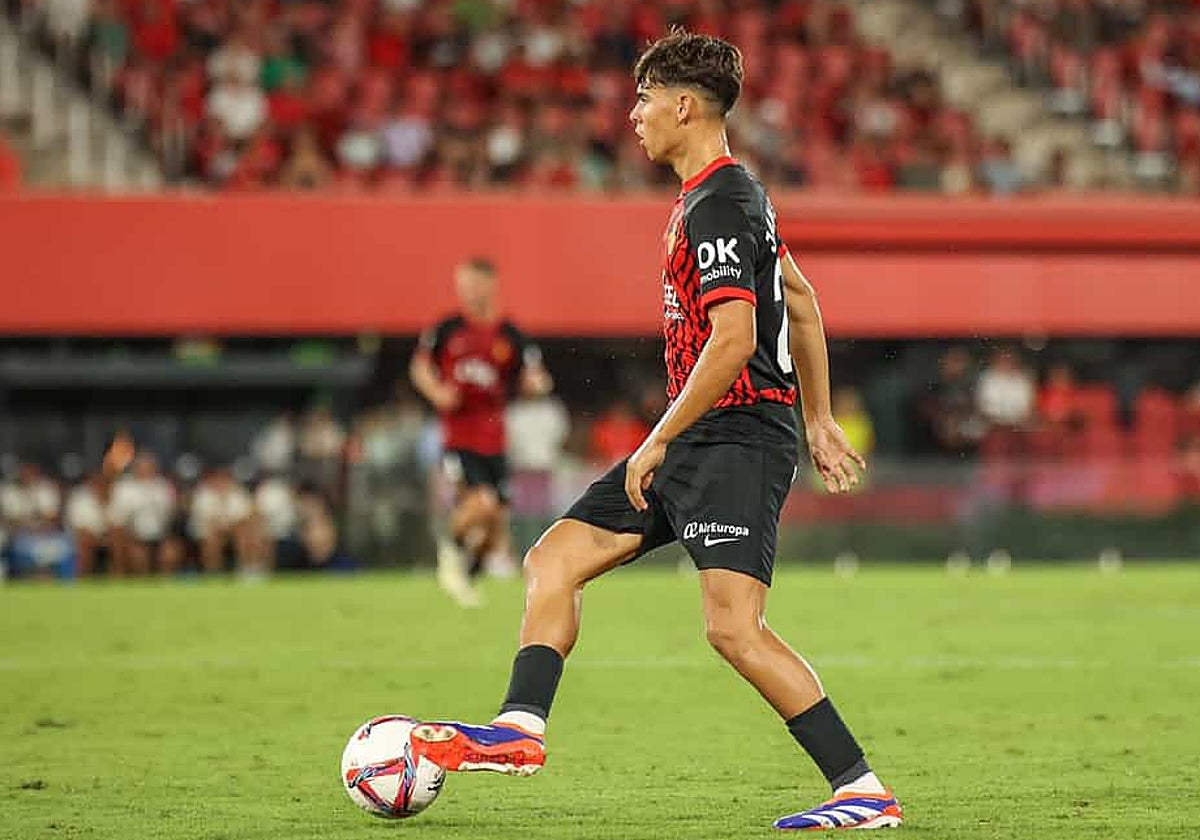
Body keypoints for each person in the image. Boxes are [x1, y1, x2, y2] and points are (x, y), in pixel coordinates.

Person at [406, 31, 901, 832]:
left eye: (643, 100)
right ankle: (519, 728)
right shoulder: (728, 196)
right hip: (707, 430)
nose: (632, 116)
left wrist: (662, 437)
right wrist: (817, 416)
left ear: (683, 105)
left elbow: (736, 338)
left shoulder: (721, 202)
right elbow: (801, 300)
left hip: (733, 434)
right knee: (552, 559)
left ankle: (863, 790)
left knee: (733, 628)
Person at [410, 257, 554, 607]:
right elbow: (420, 368)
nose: (468, 292)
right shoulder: (446, 330)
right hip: (459, 437)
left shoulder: (510, 336)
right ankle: (450, 550)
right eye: (463, 285)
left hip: (495, 438)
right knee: (483, 504)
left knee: (496, 520)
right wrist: (437, 393)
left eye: (475, 284)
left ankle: (466, 572)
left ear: (491, 285)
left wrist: (537, 385)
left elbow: (536, 376)